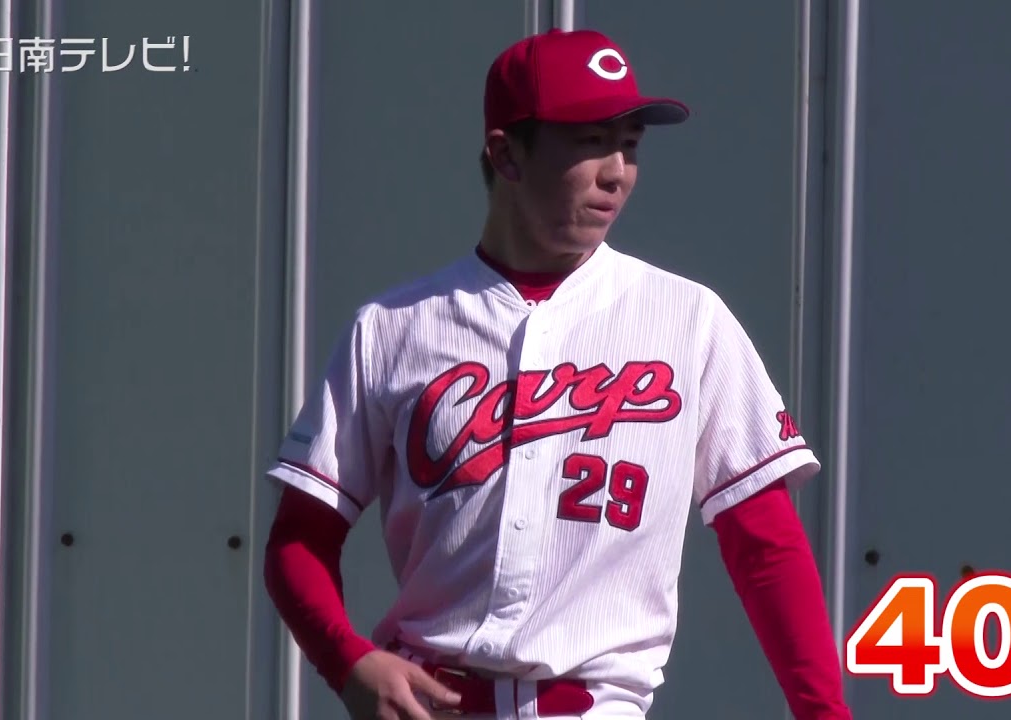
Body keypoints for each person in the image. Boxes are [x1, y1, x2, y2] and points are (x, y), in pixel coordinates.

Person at [263, 27, 853, 720]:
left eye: (630, 145)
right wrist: (346, 658)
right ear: (506, 154)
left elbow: (765, 542)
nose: (617, 171)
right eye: (591, 142)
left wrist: (825, 714)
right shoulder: (393, 327)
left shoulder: (688, 319)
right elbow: (300, 538)